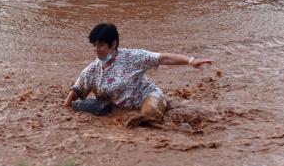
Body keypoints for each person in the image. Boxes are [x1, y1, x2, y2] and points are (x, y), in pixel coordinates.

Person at [63, 23, 213, 128]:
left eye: (101, 45)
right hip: (121, 108)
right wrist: (66, 110)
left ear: (113, 44)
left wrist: (191, 60)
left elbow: (163, 58)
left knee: (149, 115)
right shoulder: (92, 70)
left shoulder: (133, 57)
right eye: (94, 45)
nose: (96, 49)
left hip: (148, 96)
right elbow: (76, 90)